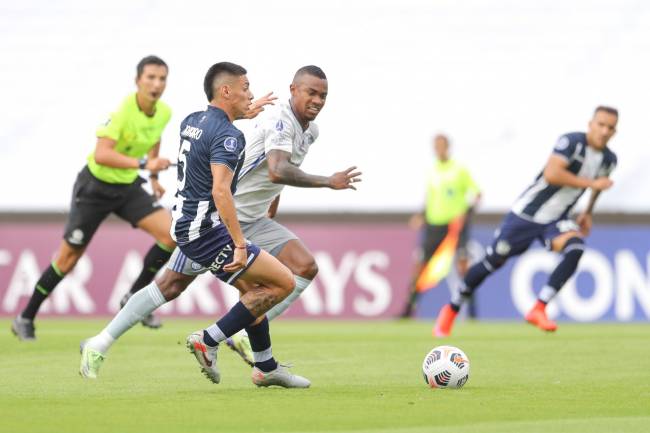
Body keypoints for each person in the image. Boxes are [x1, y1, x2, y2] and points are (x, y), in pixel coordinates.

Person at [79, 65, 361, 383]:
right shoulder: (272, 122)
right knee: (180, 284)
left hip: (246, 217)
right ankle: (210, 339)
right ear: (293, 89)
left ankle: (263, 364)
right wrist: (328, 181)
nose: (318, 99)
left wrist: (272, 203)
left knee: (297, 270)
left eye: (323, 94)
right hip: (222, 220)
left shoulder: (302, 130)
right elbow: (271, 171)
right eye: (311, 92)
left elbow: (272, 174)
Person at [12, 56, 175, 340]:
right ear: (137, 81)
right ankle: (25, 317)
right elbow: (102, 154)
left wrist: (153, 178)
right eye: (150, 77)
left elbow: (154, 140)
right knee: (67, 259)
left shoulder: (164, 112)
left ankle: (133, 297)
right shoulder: (122, 111)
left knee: (171, 234)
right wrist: (143, 165)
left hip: (127, 189)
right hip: (95, 189)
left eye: (161, 78)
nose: (156, 84)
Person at [434, 106, 618, 336]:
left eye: (610, 127)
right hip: (526, 215)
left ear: (614, 132)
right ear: (590, 123)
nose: (604, 131)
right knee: (492, 261)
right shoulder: (572, 142)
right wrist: (592, 184)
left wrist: (588, 212)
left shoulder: (609, 160)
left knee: (576, 247)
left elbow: (599, 186)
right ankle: (451, 309)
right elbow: (552, 174)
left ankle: (539, 308)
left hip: (556, 219)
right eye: (600, 124)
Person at [401, 134, 480, 318]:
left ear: (448, 147)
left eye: (442, 146)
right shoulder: (433, 170)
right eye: (436, 146)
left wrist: (466, 214)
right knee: (420, 266)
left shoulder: (459, 169)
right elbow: (430, 198)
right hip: (433, 225)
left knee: (463, 267)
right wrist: (421, 215)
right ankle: (408, 310)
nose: (439, 149)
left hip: (455, 227)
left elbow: (477, 194)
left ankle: (473, 313)